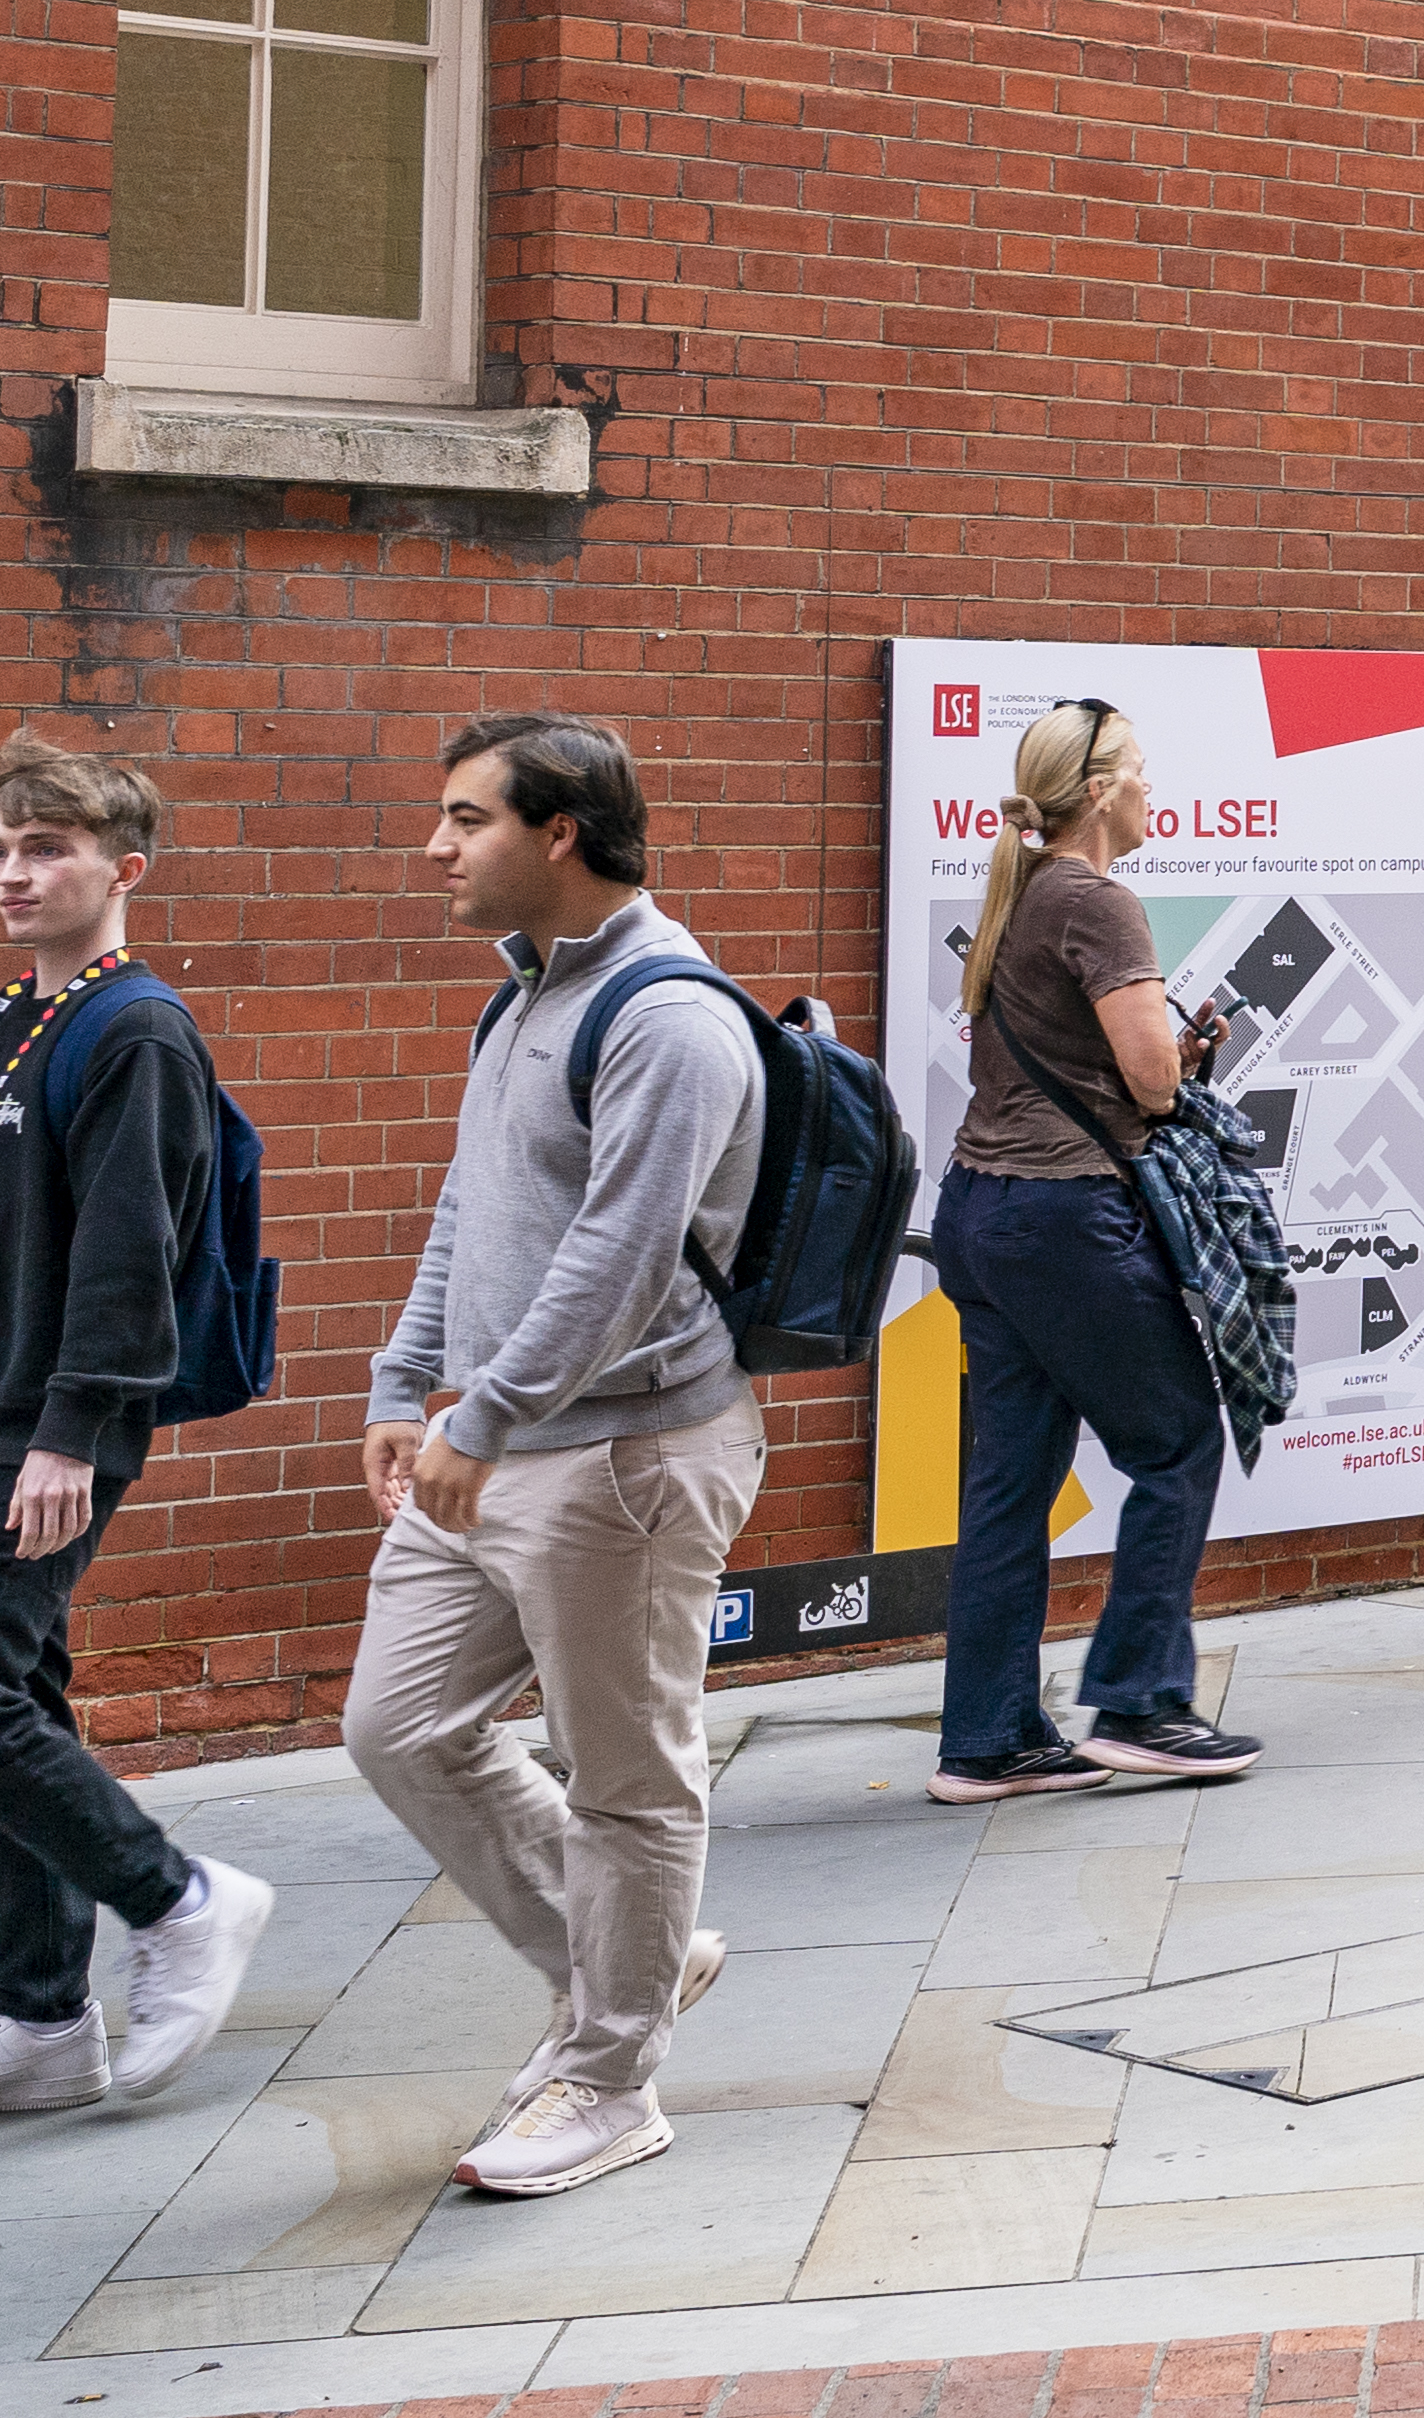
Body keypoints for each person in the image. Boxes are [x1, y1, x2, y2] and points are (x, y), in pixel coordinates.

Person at [354, 715, 771, 2200]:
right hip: (494, 1439)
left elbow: (623, 1258)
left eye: (466, 818)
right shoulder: (521, 996)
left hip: (627, 1457)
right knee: (399, 1727)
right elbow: (476, 1204)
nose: (436, 846)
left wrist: (487, 1415)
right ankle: (638, 1967)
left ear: (562, 836)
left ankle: (610, 2080)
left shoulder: (668, 1018)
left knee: (629, 1783)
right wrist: (409, 1380)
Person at [0, 736, 274, 2108]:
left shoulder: (136, 1028)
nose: (14, 870)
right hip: (12, 1409)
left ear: (125, 869)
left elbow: (125, 1251)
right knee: (21, 1692)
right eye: (4, 847)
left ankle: (178, 1900)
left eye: (47, 846)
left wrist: (71, 1431)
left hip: (50, 1427)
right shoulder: (22, 1018)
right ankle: (43, 2025)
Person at [928, 698, 1264, 1805]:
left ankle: (987, 1738)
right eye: (1145, 770)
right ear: (1106, 788)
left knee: (1008, 1487)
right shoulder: (1100, 902)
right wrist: (1181, 1051)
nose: (1156, 787)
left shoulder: (1022, 894)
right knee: (1175, 1443)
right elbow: (1154, 1082)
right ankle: (1138, 1702)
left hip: (983, 1213)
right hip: (1064, 1219)